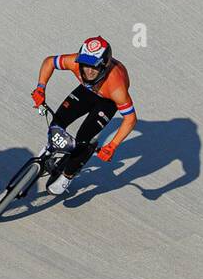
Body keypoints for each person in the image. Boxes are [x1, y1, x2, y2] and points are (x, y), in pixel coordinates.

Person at [31, 36, 136, 196]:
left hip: (108, 101)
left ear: (104, 67)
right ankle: (50, 147)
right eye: (85, 65)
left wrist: (112, 146)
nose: (88, 71)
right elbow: (49, 62)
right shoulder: (75, 62)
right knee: (59, 119)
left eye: (93, 67)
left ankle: (68, 176)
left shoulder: (117, 87)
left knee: (83, 138)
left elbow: (130, 119)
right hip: (87, 91)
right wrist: (40, 88)